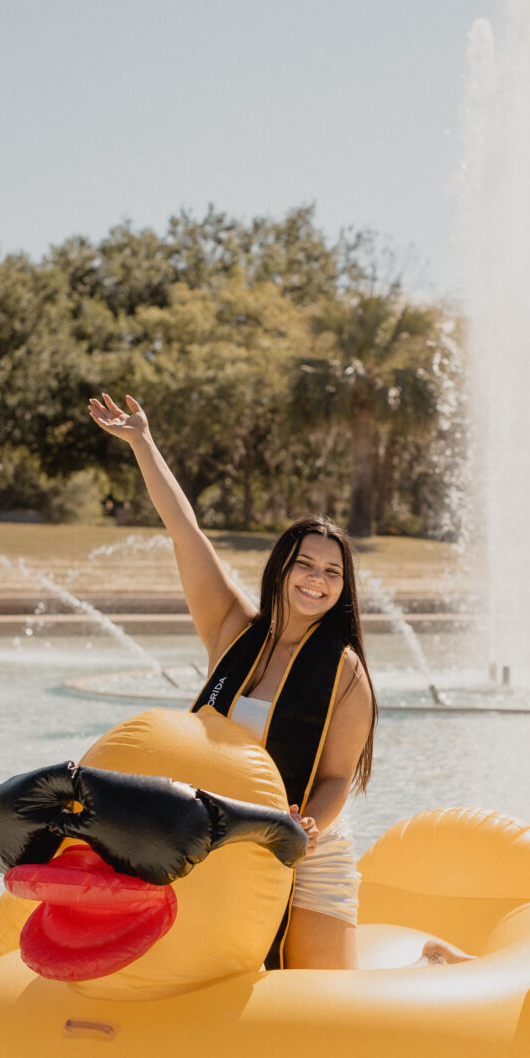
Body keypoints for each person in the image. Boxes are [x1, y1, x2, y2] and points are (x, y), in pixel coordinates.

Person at [89, 391, 376, 970]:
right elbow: (185, 530)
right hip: (209, 840)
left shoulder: (345, 672)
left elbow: (339, 775)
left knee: (320, 995)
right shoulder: (232, 629)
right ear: (281, 567)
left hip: (304, 849)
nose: (316, 580)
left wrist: (307, 830)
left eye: (331, 572)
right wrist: (142, 441)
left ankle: (430, 962)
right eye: (305, 564)